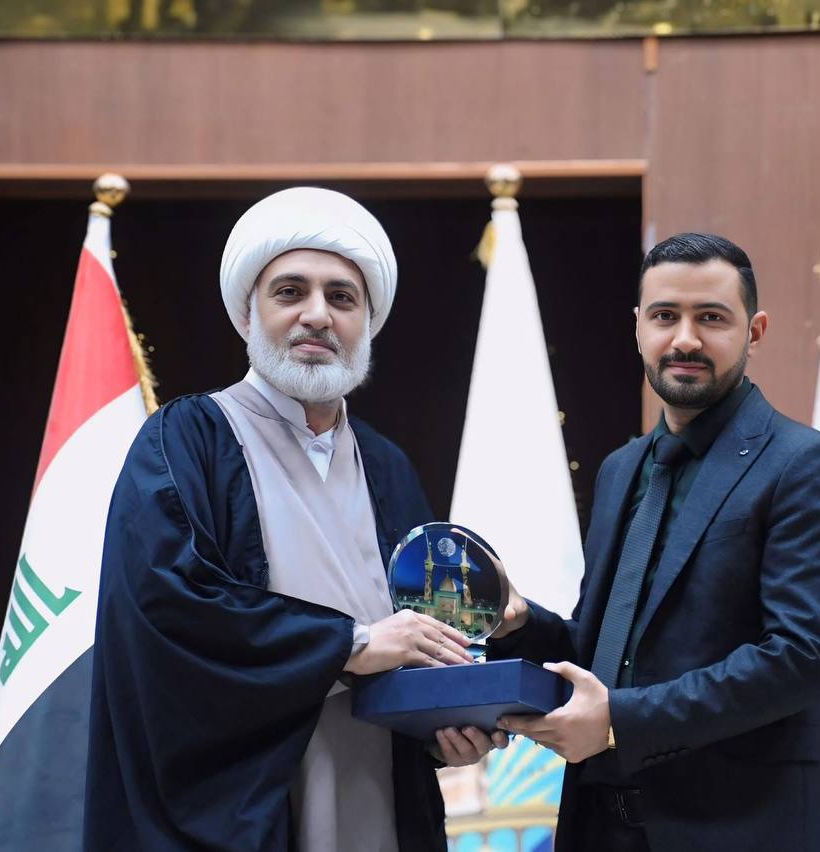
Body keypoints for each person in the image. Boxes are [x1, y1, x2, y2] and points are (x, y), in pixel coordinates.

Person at [84, 187, 506, 852]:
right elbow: (166, 614)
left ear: (367, 322)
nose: (317, 315)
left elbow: (422, 634)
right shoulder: (188, 438)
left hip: (381, 799)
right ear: (248, 315)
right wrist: (349, 646)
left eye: (342, 298)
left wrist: (445, 729)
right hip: (245, 813)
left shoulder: (388, 466)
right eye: (290, 292)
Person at [492, 233, 820, 851]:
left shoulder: (806, 465)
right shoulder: (621, 470)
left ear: (755, 331)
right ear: (639, 328)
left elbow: (799, 659)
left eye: (711, 318)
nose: (685, 339)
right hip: (600, 827)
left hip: (740, 833)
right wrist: (521, 624)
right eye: (665, 316)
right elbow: (607, 653)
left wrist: (619, 720)